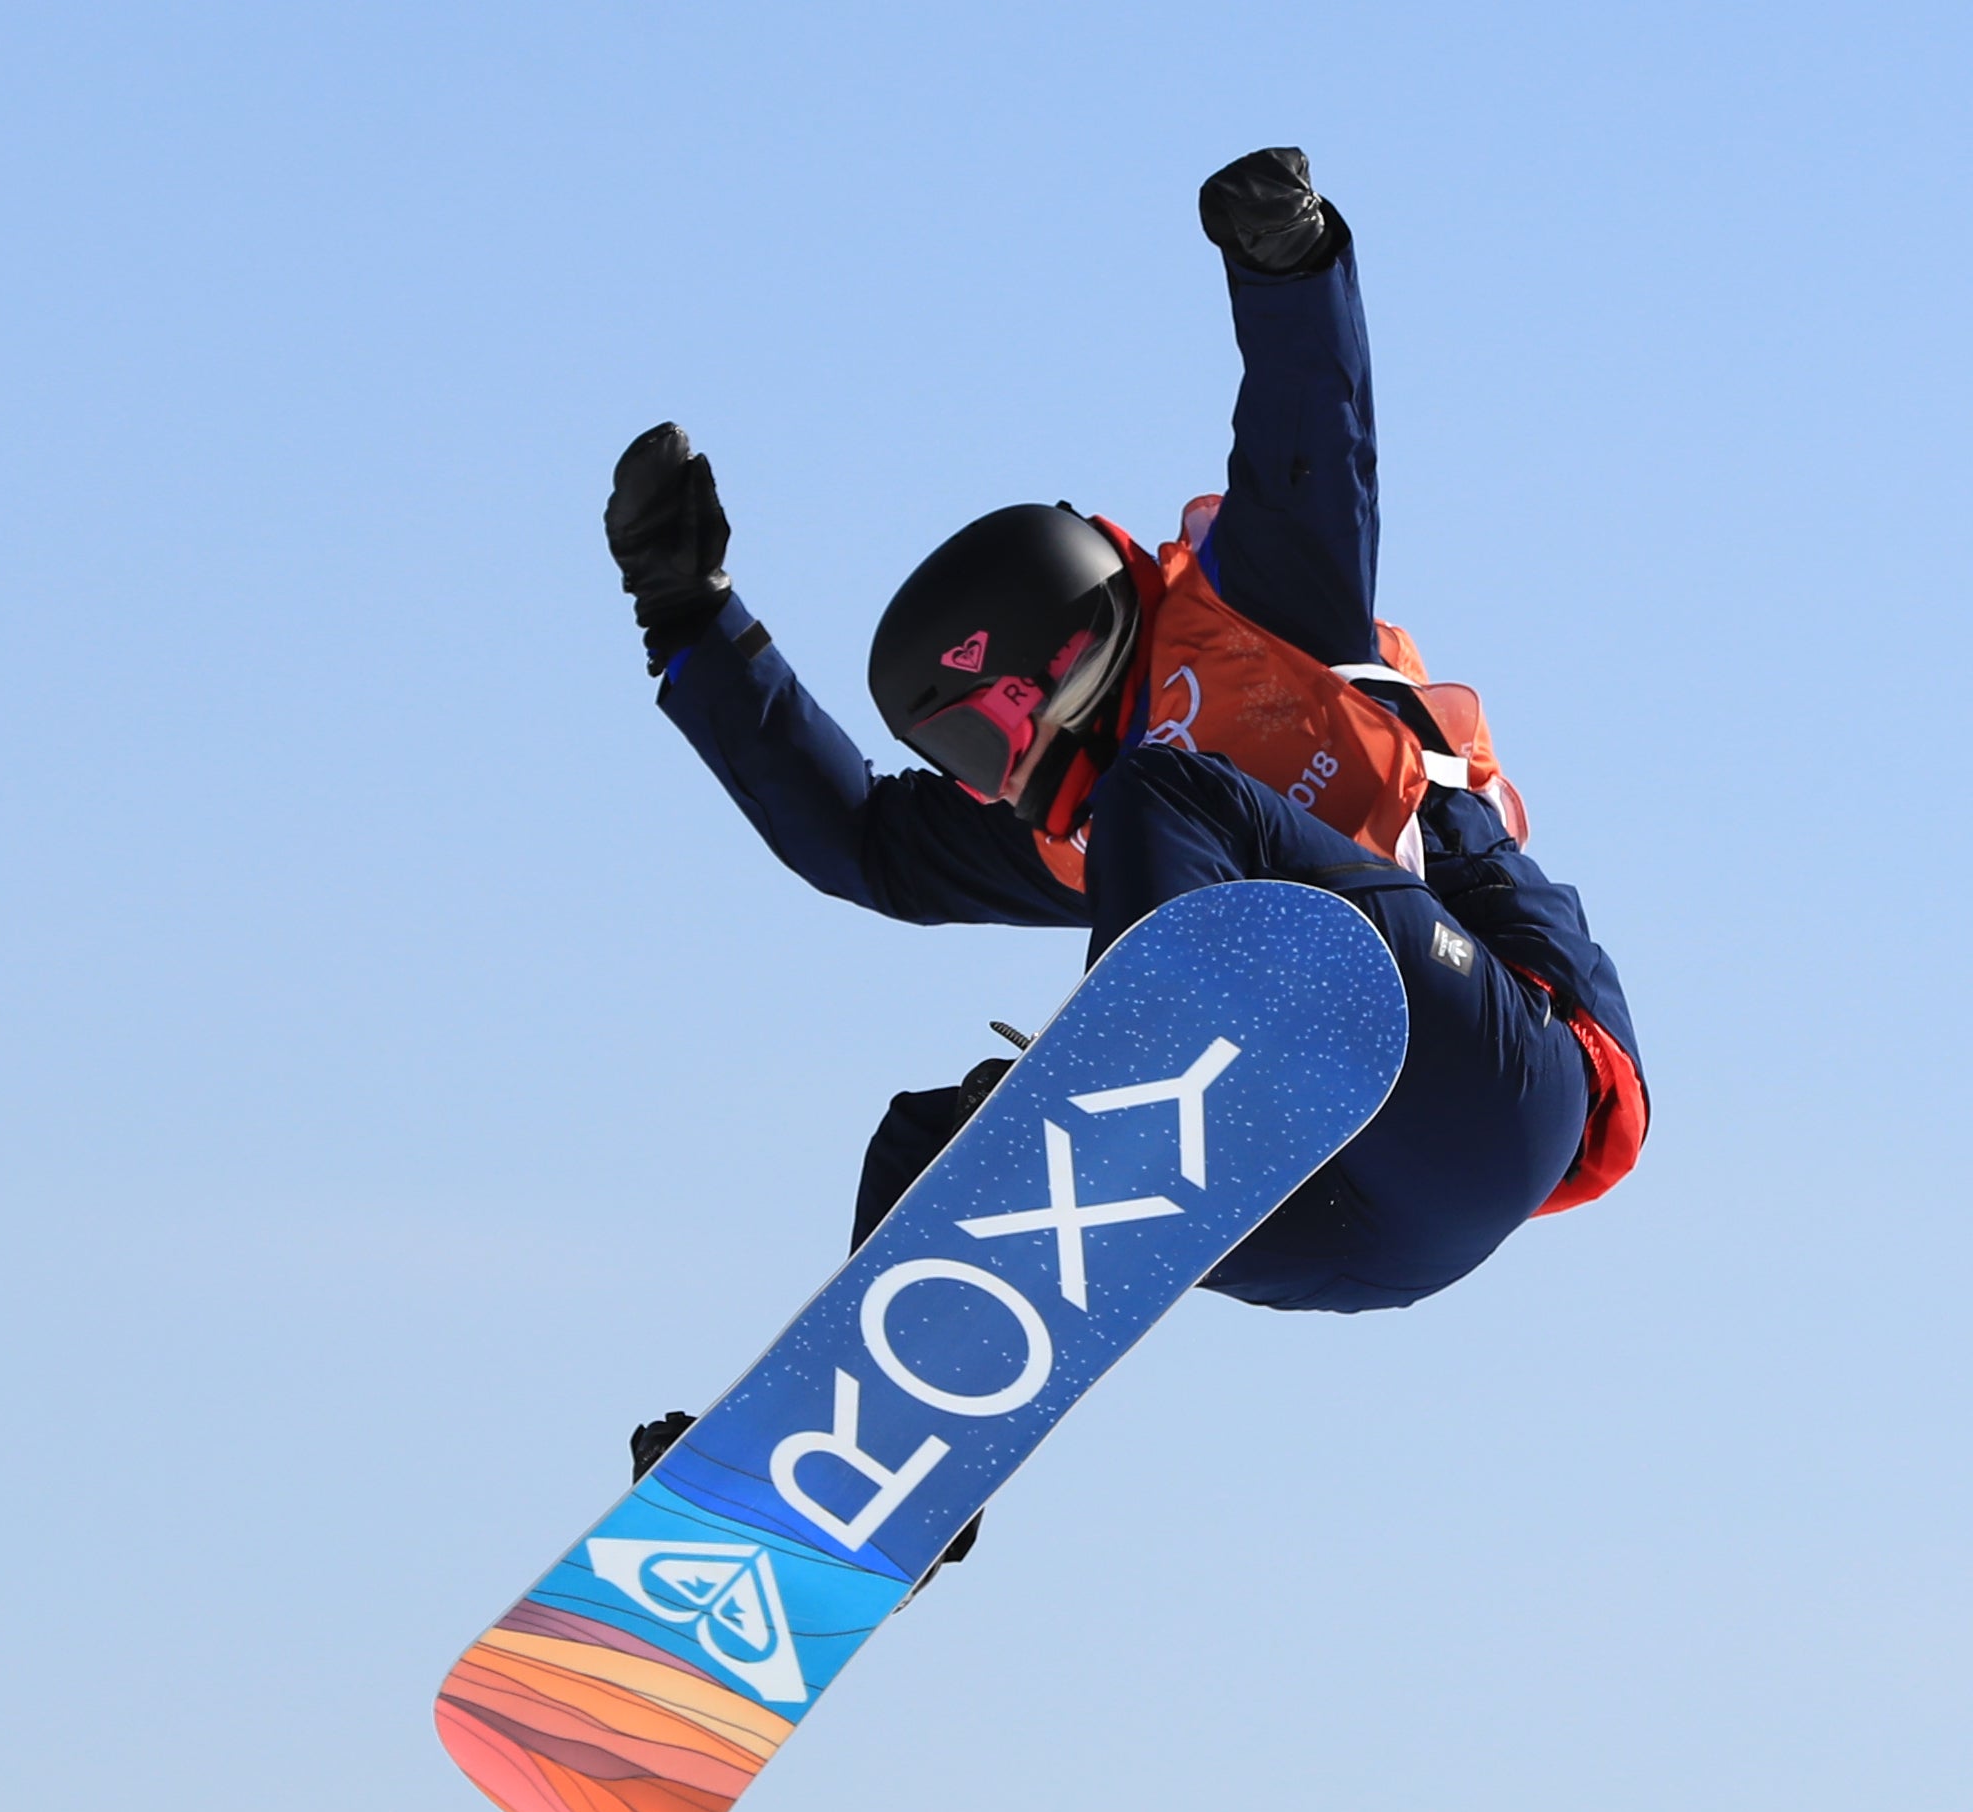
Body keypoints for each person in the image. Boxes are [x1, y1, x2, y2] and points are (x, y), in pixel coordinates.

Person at [604, 150, 1648, 1541]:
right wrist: (689, 617)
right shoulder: (1081, 832)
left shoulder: (1263, 613)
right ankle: (858, 1493)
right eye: (968, 752)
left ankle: (1149, 1054)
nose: (1004, 770)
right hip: (1352, 1217)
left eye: (999, 723)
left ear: (1060, 640)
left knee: (1172, 795)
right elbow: (857, 840)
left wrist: (1284, 262)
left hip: (1494, 1084)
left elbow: (1308, 437)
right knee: (934, 1143)